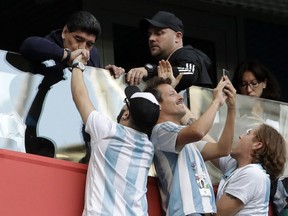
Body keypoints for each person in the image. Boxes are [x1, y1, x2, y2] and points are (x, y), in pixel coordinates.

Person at [71, 50, 160, 215]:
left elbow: (80, 95)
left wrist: (77, 64)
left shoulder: (107, 131)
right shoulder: (148, 148)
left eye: (126, 104)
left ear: (126, 113)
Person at [144, 60, 236, 215]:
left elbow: (223, 149)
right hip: (186, 212)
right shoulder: (160, 131)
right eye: (172, 93)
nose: (180, 97)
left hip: (204, 211)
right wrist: (215, 102)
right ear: (158, 105)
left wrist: (232, 108)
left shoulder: (184, 139)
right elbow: (198, 131)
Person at [126, 10, 213, 92]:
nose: (151, 38)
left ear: (177, 37)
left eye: (159, 33)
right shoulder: (172, 60)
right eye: (149, 34)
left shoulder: (186, 53)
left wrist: (150, 70)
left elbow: (189, 72)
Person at [212, 124, 286, 215]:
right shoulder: (235, 166)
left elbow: (217, 214)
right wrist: (192, 122)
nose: (240, 136)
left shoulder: (252, 174)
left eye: (248, 133)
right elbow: (215, 149)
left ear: (257, 145)